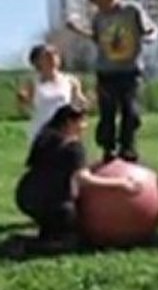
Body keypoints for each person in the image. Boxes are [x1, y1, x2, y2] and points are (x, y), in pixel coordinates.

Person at [3, 104, 141, 258]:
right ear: (70, 122)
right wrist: (121, 184)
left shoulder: (45, 137)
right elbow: (85, 179)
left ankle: (36, 237)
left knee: (54, 230)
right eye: (82, 122)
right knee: (72, 243)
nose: (85, 126)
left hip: (26, 195)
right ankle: (25, 245)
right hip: (54, 204)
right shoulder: (74, 147)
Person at [65, 0, 157, 163]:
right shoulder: (99, 18)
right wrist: (77, 30)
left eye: (104, 1)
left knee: (131, 112)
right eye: (98, 4)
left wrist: (149, 37)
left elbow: (151, 29)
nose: (102, 6)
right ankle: (108, 148)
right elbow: (98, 40)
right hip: (106, 71)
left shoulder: (131, 10)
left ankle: (128, 148)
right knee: (108, 113)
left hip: (130, 70)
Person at [16, 44, 88, 146]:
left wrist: (85, 102)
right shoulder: (32, 83)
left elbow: (79, 102)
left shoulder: (71, 81)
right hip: (41, 132)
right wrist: (22, 99)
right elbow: (23, 107)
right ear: (38, 61)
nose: (52, 58)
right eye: (47, 55)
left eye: (55, 54)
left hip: (64, 132)